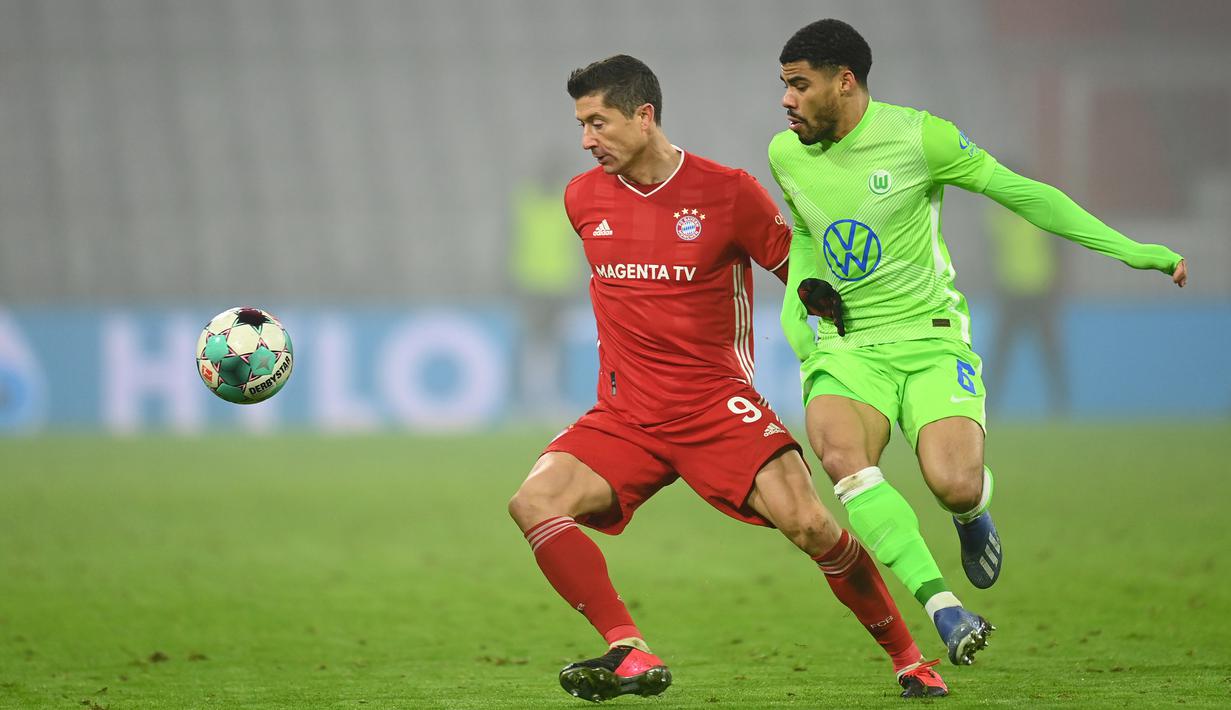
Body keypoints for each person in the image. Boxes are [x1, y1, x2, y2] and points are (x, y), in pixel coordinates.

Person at [507, 54, 949, 702]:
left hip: (717, 409)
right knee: (533, 502)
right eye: (580, 125)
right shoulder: (581, 199)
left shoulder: (728, 192)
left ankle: (909, 659)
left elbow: (795, 272)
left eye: (597, 122)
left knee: (811, 526)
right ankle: (628, 649)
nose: (586, 140)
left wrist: (830, 309)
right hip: (626, 415)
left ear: (643, 115)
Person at [769, 19, 1187, 666]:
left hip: (930, 338)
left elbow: (1023, 195)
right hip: (849, 347)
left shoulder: (917, 137)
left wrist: (1129, 250)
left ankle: (971, 515)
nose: (786, 100)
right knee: (842, 459)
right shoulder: (785, 155)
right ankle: (943, 608)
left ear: (843, 81)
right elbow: (802, 230)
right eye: (783, 86)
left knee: (953, 484)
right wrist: (802, 309)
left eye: (799, 85)